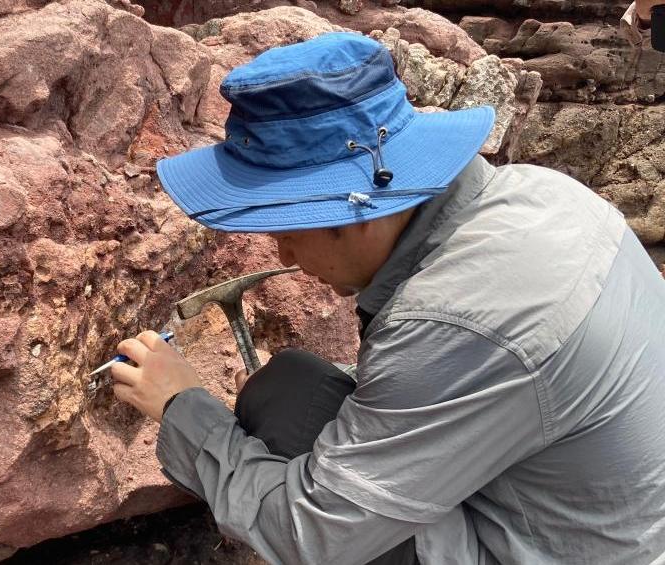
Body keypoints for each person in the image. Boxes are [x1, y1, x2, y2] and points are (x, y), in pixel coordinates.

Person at [107, 32, 665, 564]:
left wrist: (182, 406)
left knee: (284, 417)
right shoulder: (543, 191)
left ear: (358, 214)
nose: (283, 259)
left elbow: (310, 536)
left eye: (288, 230)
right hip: (611, 522)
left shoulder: (453, 319)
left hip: (556, 549)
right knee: (293, 388)